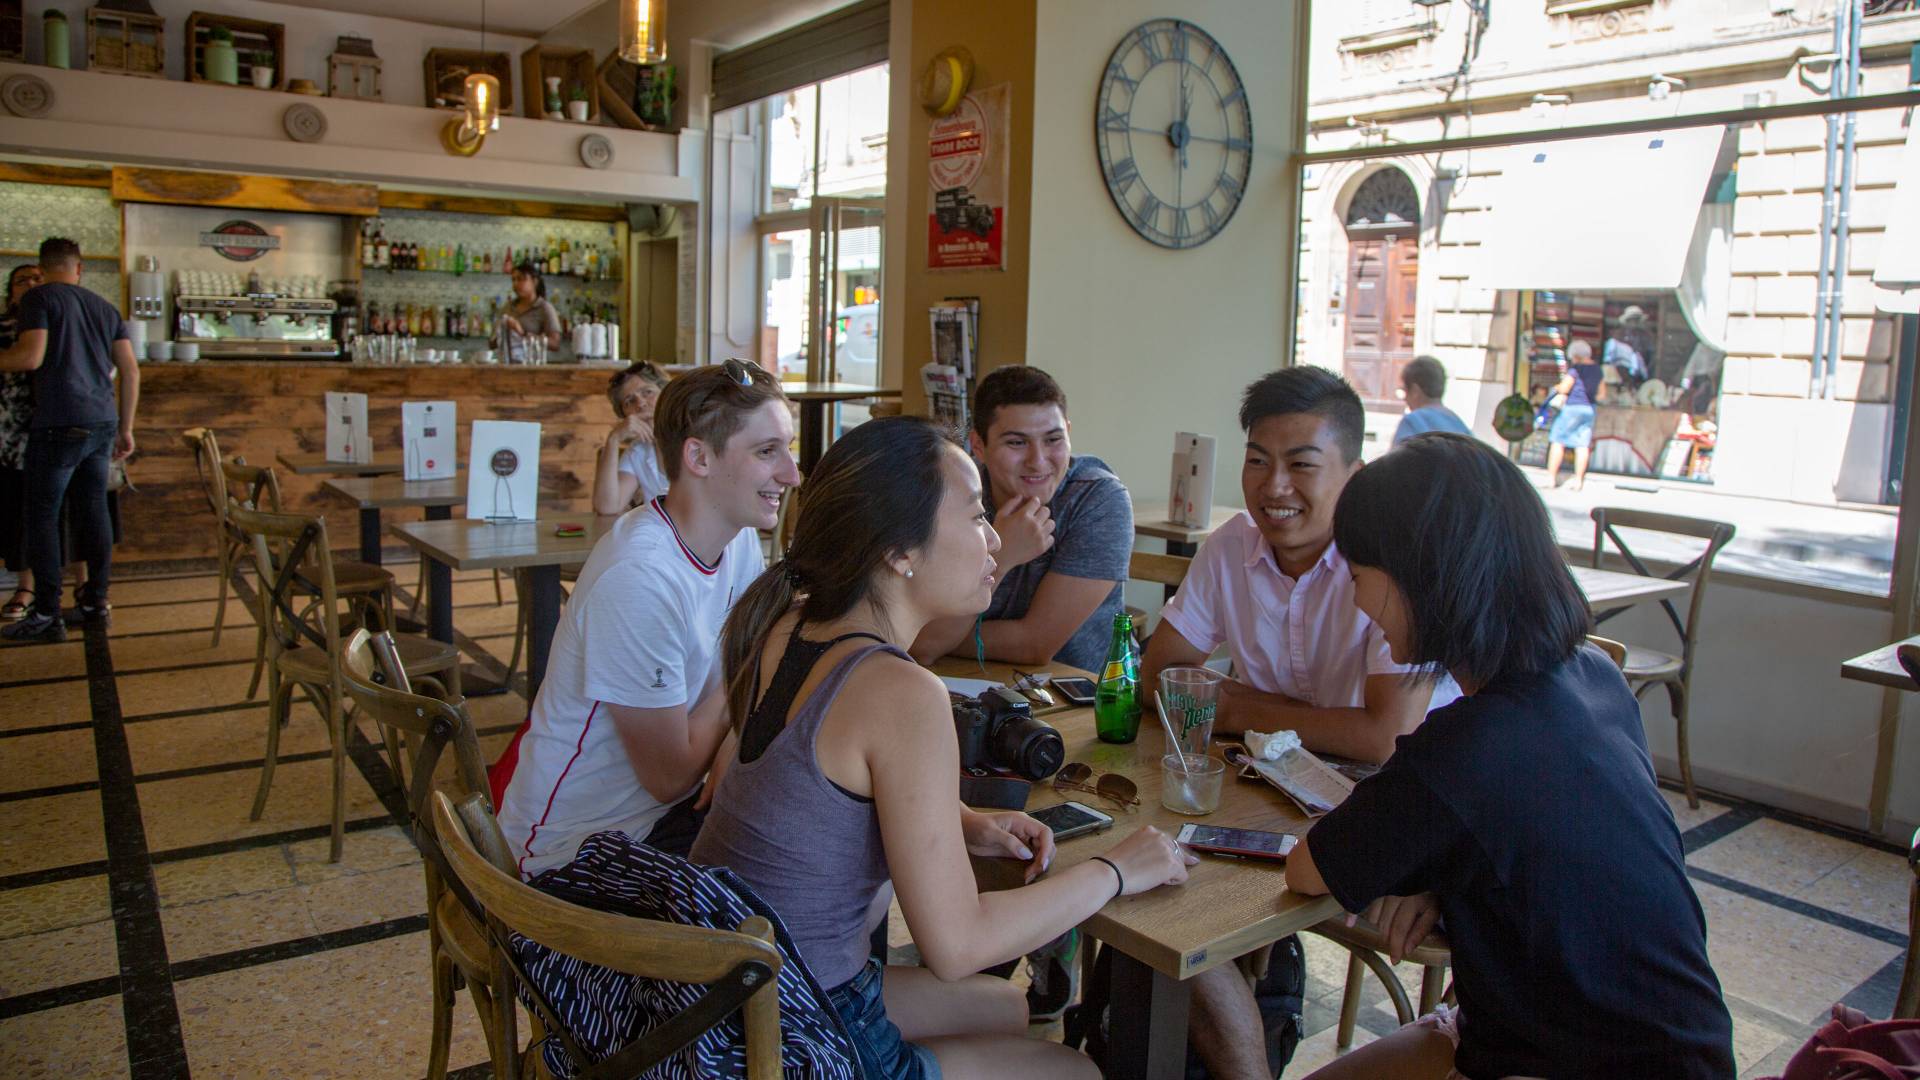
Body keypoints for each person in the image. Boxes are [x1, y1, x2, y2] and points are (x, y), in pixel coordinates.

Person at [693, 415, 1195, 1080]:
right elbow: (957, 944)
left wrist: (963, 825)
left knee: (1003, 1010)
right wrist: (1116, 871)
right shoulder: (901, 692)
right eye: (977, 516)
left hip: (715, 992)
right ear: (900, 551)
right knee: (1077, 1075)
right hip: (790, 1037)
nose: (994, 540)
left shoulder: (789, 621)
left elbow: (808, 794)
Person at [1292, 433, 1734, 1080]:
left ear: (1423, 578)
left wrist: (1428, 871)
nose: (1358, 605)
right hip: (1679, 1050)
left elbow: (1308, 870)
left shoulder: (1461, 750)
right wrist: (1446, 880)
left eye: (1360, 578)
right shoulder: (1593, 677)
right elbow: (1536, 843)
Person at [1139, 366, 1456, 1080]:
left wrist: (1241, 707)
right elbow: (1166, 673)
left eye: (1301, 464)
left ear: (1357, 474)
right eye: (1258, 461)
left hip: (1393, 824)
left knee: (1175, 897)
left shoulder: (1389, 565)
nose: (1273, 487)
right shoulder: (1229, 548)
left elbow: (1384, 738)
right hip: (1269, 802)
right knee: (1157, 887)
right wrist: (1272, 720)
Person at [495, 359, 797, 876]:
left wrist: (733, 729)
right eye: (767, 452)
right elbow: (671, 774)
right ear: (698, 456)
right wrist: (753, 667)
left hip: (655, 820)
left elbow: (764, 637)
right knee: (808, 863)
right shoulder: (640, 578)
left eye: (786, 448)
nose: (791, 473)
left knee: (836, 835)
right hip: (572, 858)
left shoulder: (737, 533)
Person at [910, 366, 1131, 674]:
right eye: (1017, 442)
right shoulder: (958, 491)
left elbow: (1035, 645)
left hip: (1080, 699)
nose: (1038, 460)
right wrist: (1002, 554)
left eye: (1053, 439)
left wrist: (941, 638)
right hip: (961, 681)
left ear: (1068, 431)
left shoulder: (1098, 499)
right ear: (978, 446)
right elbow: (923, 645)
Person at [0, 239, 137, 644]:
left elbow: (29, 357)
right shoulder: (103, 306)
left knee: (42, 516)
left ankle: (46, 613)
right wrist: (125, 428)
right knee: (93, 510)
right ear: (79, 269)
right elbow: (130, 371)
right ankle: (94, 603)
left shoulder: (40, 298)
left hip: (60, 422)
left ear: (43, 269)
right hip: (102, 422)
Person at [1, 263, 46, 620]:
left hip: (52, 424)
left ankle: (84, 587)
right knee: (17, 511)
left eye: (37, 279)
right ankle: (25, 586)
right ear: (10, 292)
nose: (31, 284)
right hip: (8, 431)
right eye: (22, 280)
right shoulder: (3, 327)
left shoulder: (58, 320)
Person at [592, 360, 672, 514]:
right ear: (624, 415)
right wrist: (613, 439)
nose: (640, 403)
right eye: (629, 401)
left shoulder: (693, 437)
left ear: (666, 393)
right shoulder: (638, 452)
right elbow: (607, 506)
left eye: (647, 392)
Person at [1544, 339, 1605, 491]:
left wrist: (1556, 387)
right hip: (1589, 408)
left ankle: (1551, 478)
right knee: (1582, 445)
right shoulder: (1598, 370)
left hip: (1572, 407)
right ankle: (1578, 481)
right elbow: (1602, 394)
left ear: (1576, 355)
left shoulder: (1575, 369)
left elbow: (1565, 388)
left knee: (1558, 441)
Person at [1390, 356, 1470, 446]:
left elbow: (1396, 459)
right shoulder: (1460, 426)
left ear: (1415, 391)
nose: (1405, 399)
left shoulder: (1412, 422)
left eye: (1404, 391)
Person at [495, 261, 562, 364]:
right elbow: (492, 344)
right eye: (513, 280)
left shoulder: (544, 308)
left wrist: (522, 333)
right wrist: (500, 331)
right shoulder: (508, 307)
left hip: (533, 368)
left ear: (534, 281)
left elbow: (555, 344)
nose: (515, 284)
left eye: (521, 279)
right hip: (506, 366)